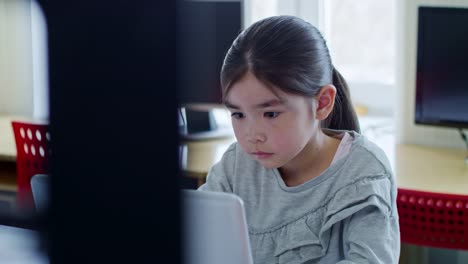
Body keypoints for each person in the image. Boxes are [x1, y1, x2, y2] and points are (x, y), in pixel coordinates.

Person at [198, 15, 400, 263]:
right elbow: (199, 239)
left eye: (270, 113)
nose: (252, 135)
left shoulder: (364, 173)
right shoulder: (235, 165)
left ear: (322, 103)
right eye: (238, 114)